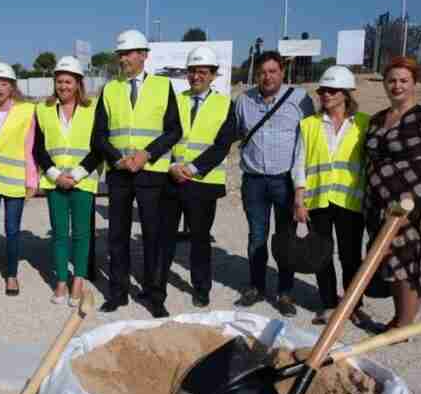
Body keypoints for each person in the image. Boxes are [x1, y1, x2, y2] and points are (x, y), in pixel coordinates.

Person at [91, 29, 182, 317]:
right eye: (120, 53)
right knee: (117, 235)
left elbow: (174, 130)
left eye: (128, 53)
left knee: (153, 235)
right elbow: (99, 135)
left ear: (143, 55)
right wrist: (118, 159)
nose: (123, 58)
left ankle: (155, 295)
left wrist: (146, 154)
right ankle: (117, 293)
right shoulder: (109, 88)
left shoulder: (162, 86)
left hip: (151, 172)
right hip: (119, 173)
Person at [364, 56, 421, 329]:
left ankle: (403, 324)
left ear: (415, 82)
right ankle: (400, 318)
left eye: (403, 80)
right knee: (391, 262)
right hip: (381, 204)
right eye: (391, 80)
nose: (397, 85)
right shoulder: (379, 119)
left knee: (408, 264)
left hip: (413, 205)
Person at [233, 50, 314, 316]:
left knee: (285, 239)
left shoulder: (300, 100)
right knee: (257, 236)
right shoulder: (243, 101)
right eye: (262, 72)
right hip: (254, 181)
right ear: (256, 74)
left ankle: (285, 292)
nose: (267, 77)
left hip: (285, 181)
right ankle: (255, 286)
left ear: (282, 73)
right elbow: (234, 133)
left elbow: (311, 140)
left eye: (273, 71)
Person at [290, 65, 370, 325]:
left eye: (332, 91)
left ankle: (353, 305)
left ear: (346, 94)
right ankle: (327, 303)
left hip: (350, 202)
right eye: (323, 90)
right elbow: (299, 163)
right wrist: (299, 199)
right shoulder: (309, 124)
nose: (325, 95)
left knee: (351, 257)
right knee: (322, 255)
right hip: (318, 201)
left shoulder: (364, 123)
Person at [161, 47, 236, 308]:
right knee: (165, 236)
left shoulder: (225, 104)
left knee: (200, 239)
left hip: (203, 183)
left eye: (202, 72)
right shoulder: (175, 99)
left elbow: (222, 145)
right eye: (192, 71)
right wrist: (171, 166)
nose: (196, 77)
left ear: (213, 75)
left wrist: (191, 169)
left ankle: (201, 288)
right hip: (170, 178)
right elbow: (164, 136)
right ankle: (157, 285)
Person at [33, 56, 101, 306]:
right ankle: (61, 280)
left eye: (68, 81)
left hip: (83, 181)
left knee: (82, 234)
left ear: (78, 83)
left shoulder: (93, 109)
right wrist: (55, 175)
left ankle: (78, 280)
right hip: (55, 182)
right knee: (60, 234)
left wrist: (78, 174)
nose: (63, 86)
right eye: (60, 81)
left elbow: (98, 147)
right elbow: (38, 148)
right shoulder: (43, 110)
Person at [0, 62, 39, 297]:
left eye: (4, 84)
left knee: (12, 230)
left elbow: (29, 147)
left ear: (12, 87)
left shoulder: (26, 111)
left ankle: (11, 275)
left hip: (14, 180)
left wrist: (32, 180)